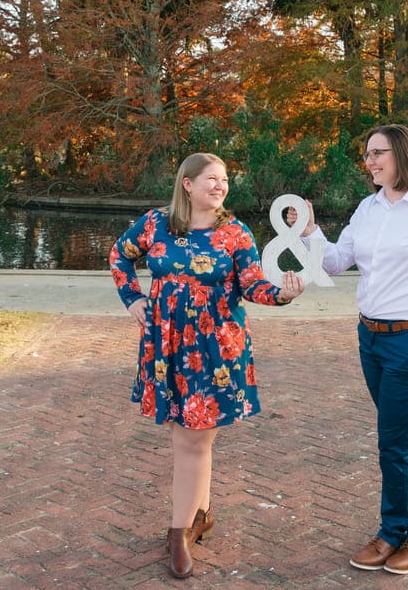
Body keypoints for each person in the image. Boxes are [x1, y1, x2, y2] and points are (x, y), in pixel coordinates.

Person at [110, 152, 306, 579]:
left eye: (225, 180)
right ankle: (200, 516)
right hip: (167, 344)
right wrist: (134, 299)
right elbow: (119, 256)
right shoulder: (155, 224)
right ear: (188, 184)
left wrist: (284, 295)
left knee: (193, 438)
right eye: (212, 179)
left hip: (217, 347)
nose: (220, 186)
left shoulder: (234, 232)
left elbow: (252, 284)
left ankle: (179, 531)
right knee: (193, 438)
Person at [303, 124, 408, 576]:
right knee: (406, 441)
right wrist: (311, 232)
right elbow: (336, 263)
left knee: (394, 443)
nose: (371, 161)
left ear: (404, 156)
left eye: (380, 153)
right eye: (368, 153)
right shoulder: (368, 208)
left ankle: (395, 533)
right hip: (371, 339)